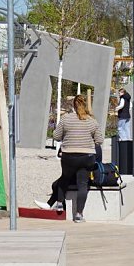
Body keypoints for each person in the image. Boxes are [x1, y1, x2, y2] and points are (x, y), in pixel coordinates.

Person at [51, 95, 104, 223]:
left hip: (68, 156)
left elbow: (56, 137)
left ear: (73, 105)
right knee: (82, 184)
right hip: (86, 157)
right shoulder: (92, 121)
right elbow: (100, 140)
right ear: (86, 106)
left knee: (65, 177)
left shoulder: (66, 119)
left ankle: (59, 202)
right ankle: (79, 214)